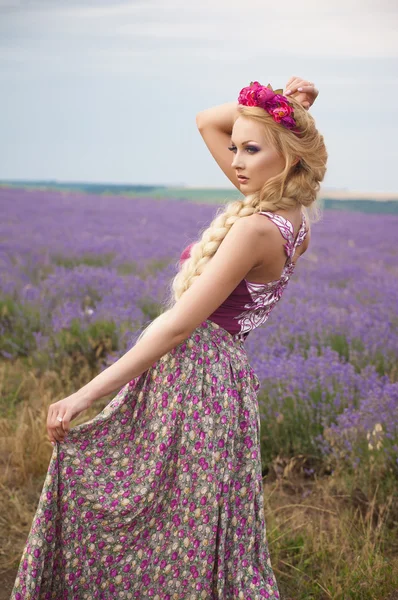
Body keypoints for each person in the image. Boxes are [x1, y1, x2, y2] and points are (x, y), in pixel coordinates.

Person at [10, 75, 326, 599]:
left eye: (251, 149)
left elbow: (179, 324)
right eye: (235, 149)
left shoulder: (255, 229)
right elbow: (209, 121)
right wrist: (281, 111)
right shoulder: (293, 221)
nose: (237, 160)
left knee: (160, 516)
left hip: (193, 382)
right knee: (191, 524)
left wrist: (86, 394)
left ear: (288, 158)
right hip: (222, 384)